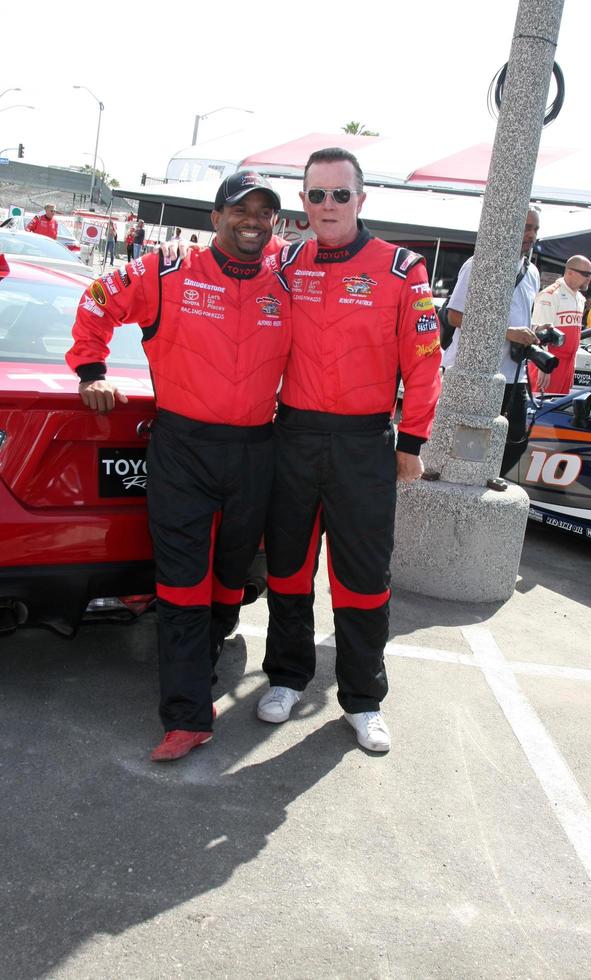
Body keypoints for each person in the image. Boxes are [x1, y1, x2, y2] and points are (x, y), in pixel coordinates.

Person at [66, 170, 291, 762]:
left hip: (256, 451)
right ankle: (186, 715)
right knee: (184, 581)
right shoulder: (167, 269)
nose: (252, 221)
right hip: (183, 449)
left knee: (231, 578)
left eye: (263, 213)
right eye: (240, 211)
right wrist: (92, 371)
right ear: (215, 218)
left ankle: (205, 660)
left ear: (274, 222)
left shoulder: (286, 279)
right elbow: (95, 301)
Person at [258, 147, 442, 753]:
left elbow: (424, 362)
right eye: (316, 195)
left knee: (363, 579)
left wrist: (412, 440)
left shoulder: (401, 268)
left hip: (365, 443)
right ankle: (285, 675)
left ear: (361, 199)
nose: (328, 205)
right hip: (293, 437)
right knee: (287, 569)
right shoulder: (281, 263)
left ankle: (363, 699)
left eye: (340, 194)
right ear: (304, 202)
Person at [447, 209, 541, 476]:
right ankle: (464, 483)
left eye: (535, 229)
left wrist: (534, 332)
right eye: (526, 228)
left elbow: (523, 315)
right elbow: (455, 316)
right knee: (463, 438)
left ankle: (488, 478)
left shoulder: (532, 272)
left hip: (514, 373)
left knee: (516, 439)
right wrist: (508, 332)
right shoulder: (479, 263)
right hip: (474, 370)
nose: (531, 235)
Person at [530, 254, 591, 395]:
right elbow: (539, 333)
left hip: (567, 365)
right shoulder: (551, 294)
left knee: (558, 407)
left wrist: (573, 365)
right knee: (541, 409)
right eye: (586, 274)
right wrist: (543, 366)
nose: (590, 278)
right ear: (570, 272)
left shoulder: (580, 298)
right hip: (550, 362)